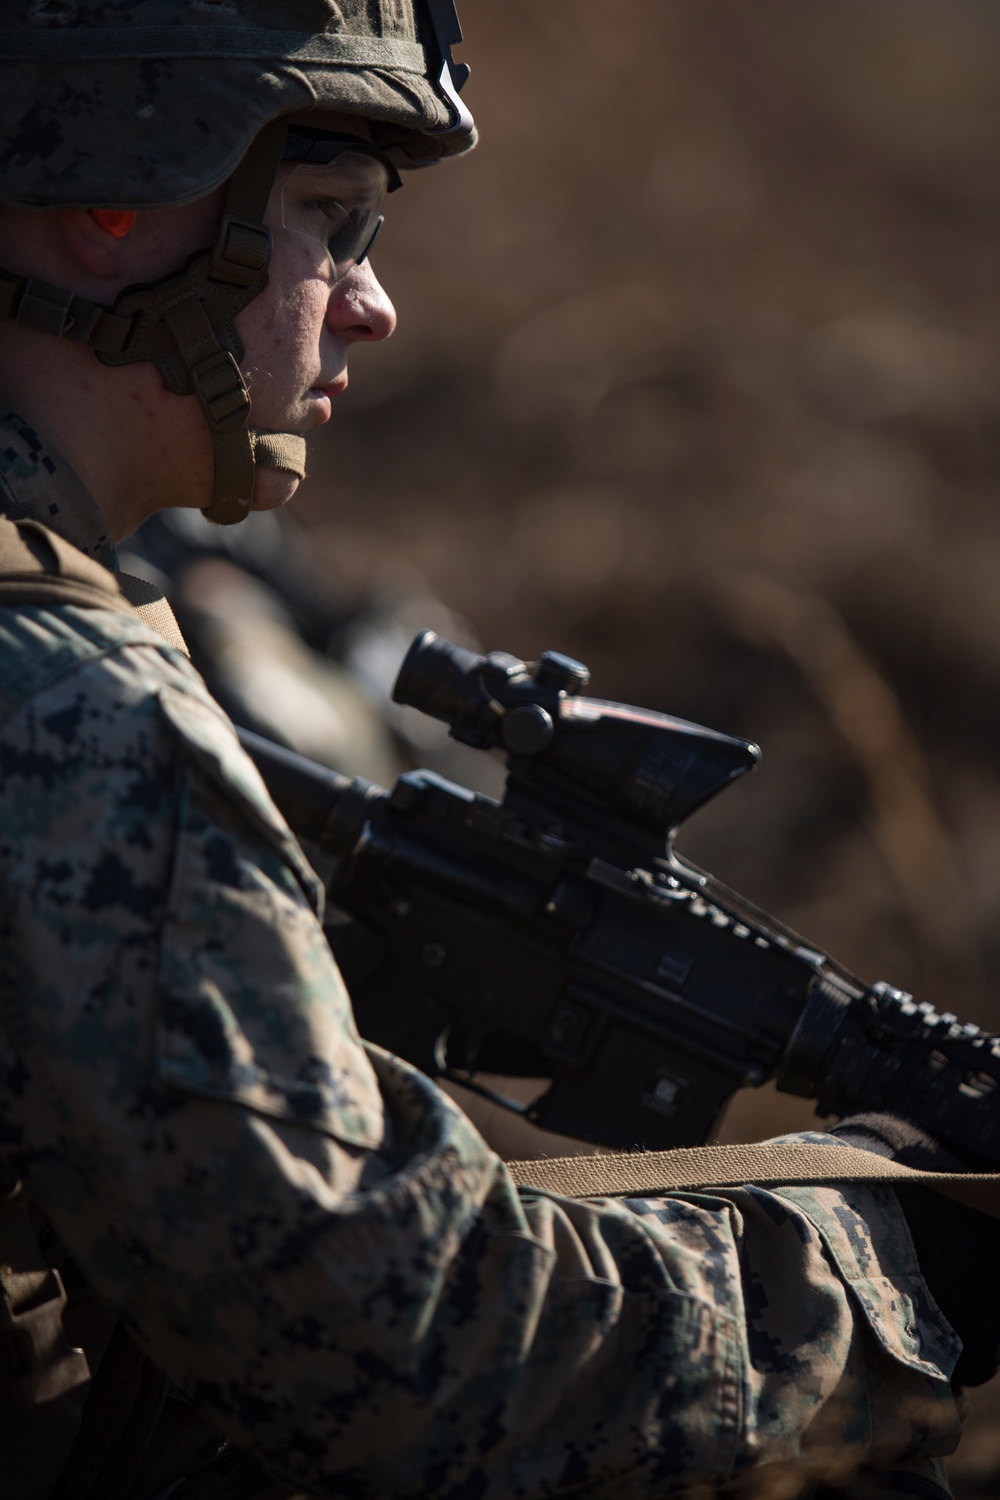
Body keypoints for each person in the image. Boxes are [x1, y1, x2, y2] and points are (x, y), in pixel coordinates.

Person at [0, 3, 995, 1497]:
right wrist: (887, 1263)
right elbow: (422, 1356)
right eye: (331, 220)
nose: (372, 305)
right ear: (110, 205)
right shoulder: (76, 710)